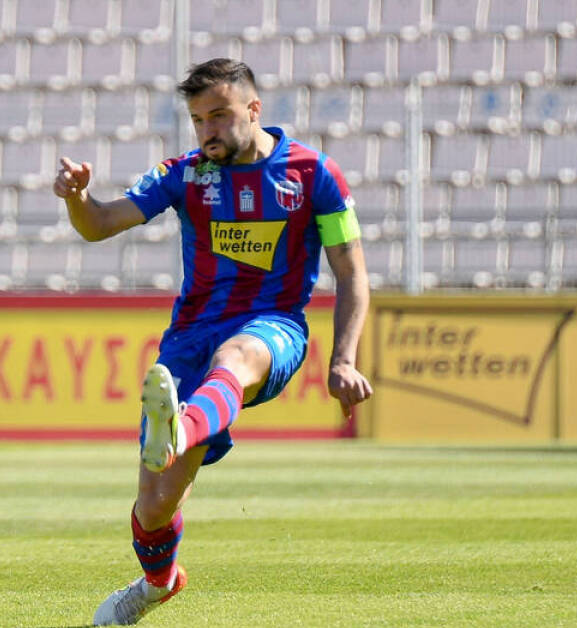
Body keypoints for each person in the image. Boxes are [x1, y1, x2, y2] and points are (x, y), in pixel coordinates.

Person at [52, 58, 373, 626]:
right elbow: (99, 224)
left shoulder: (314, 174)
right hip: (189, 339)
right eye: (199, 120)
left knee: (235, 357)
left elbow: (352, 274)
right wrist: (78, 198)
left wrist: (343, 360)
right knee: (155, 508)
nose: (208, 130)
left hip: (273, 327)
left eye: (220, 115)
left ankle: (182, 427)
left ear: (254, 110)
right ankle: (159, 583)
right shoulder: (186, 174)